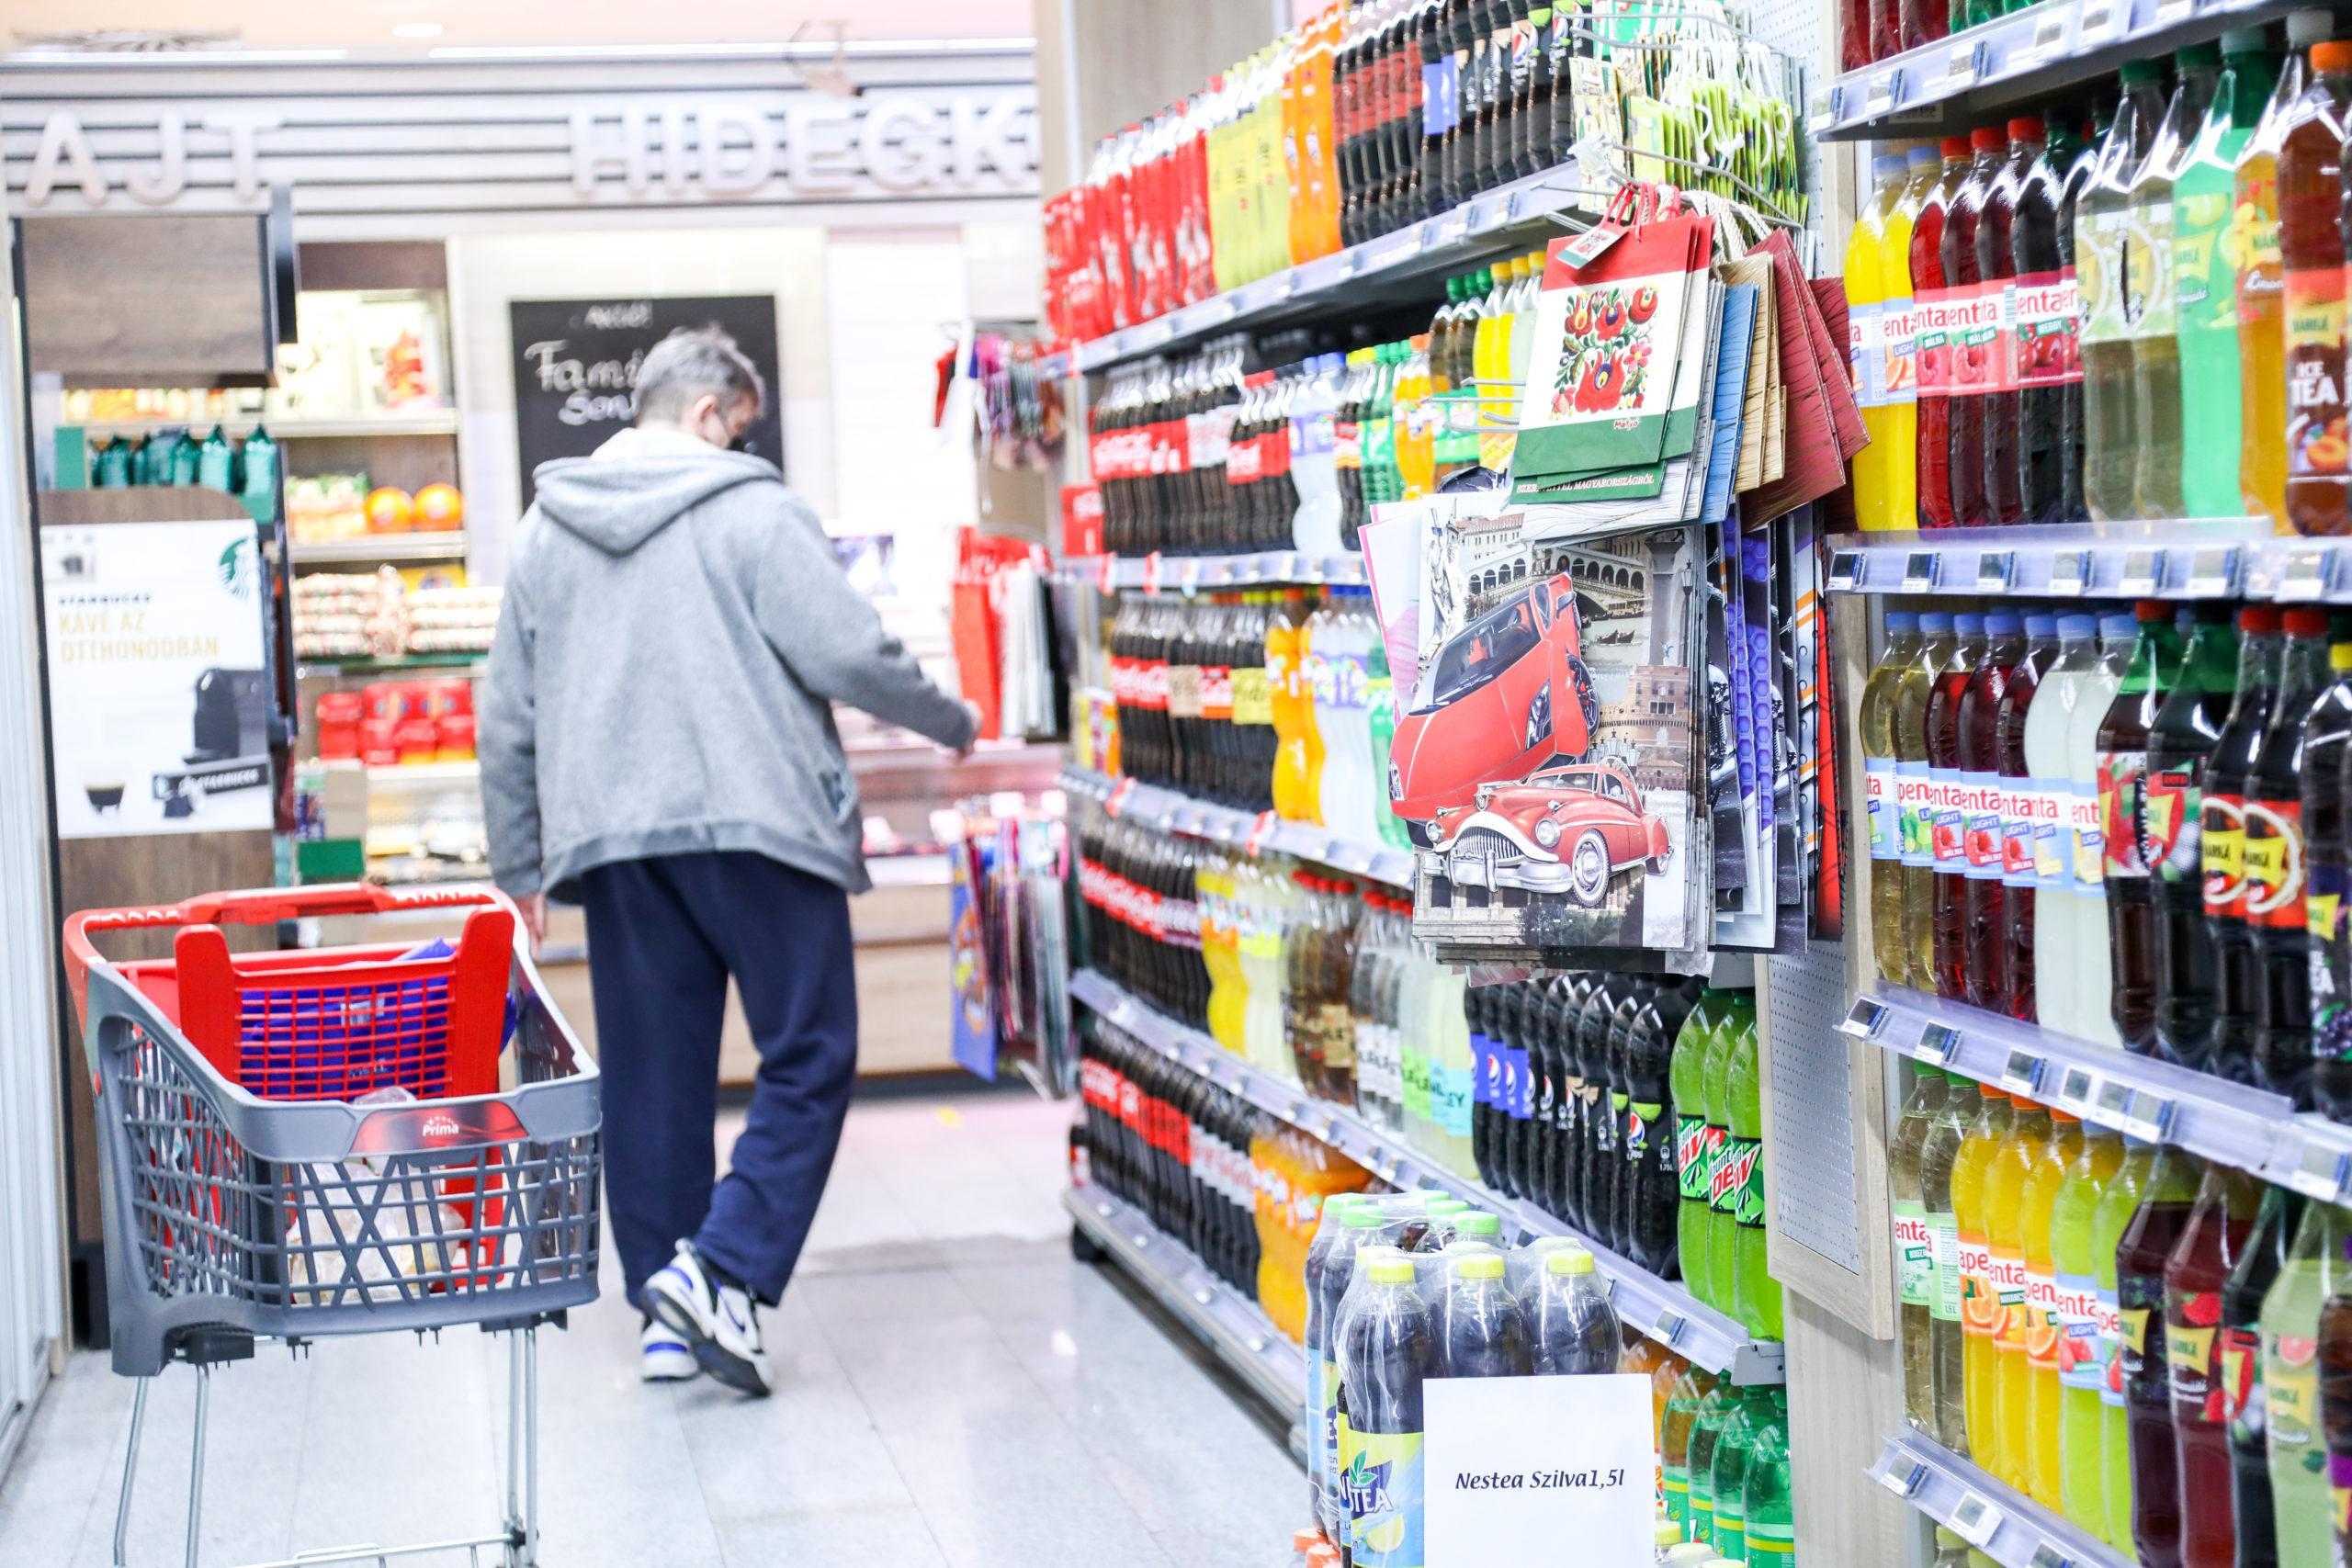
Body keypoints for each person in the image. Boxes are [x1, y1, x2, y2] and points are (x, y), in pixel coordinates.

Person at [481, 325, 978, 1395]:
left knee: (655, 1083)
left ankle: (671, 1312)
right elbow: (849, 650)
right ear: (710, 415)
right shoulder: (752, 510)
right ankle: (724, 1268)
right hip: (761, 828)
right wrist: (952, 720)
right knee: (809, 1054)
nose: (752, 447)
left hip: (614, 844)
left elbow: (506, 713)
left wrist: (516, 864)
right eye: (744, 429)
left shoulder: (543, 530)